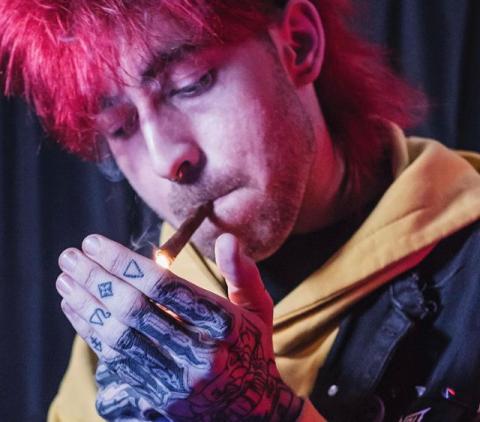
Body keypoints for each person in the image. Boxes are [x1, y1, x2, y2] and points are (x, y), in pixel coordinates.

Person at [2, 0, 480, 420]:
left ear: (299, 45)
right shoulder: (128, 327)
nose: (166, 159)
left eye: (191, 84)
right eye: (120, 127)